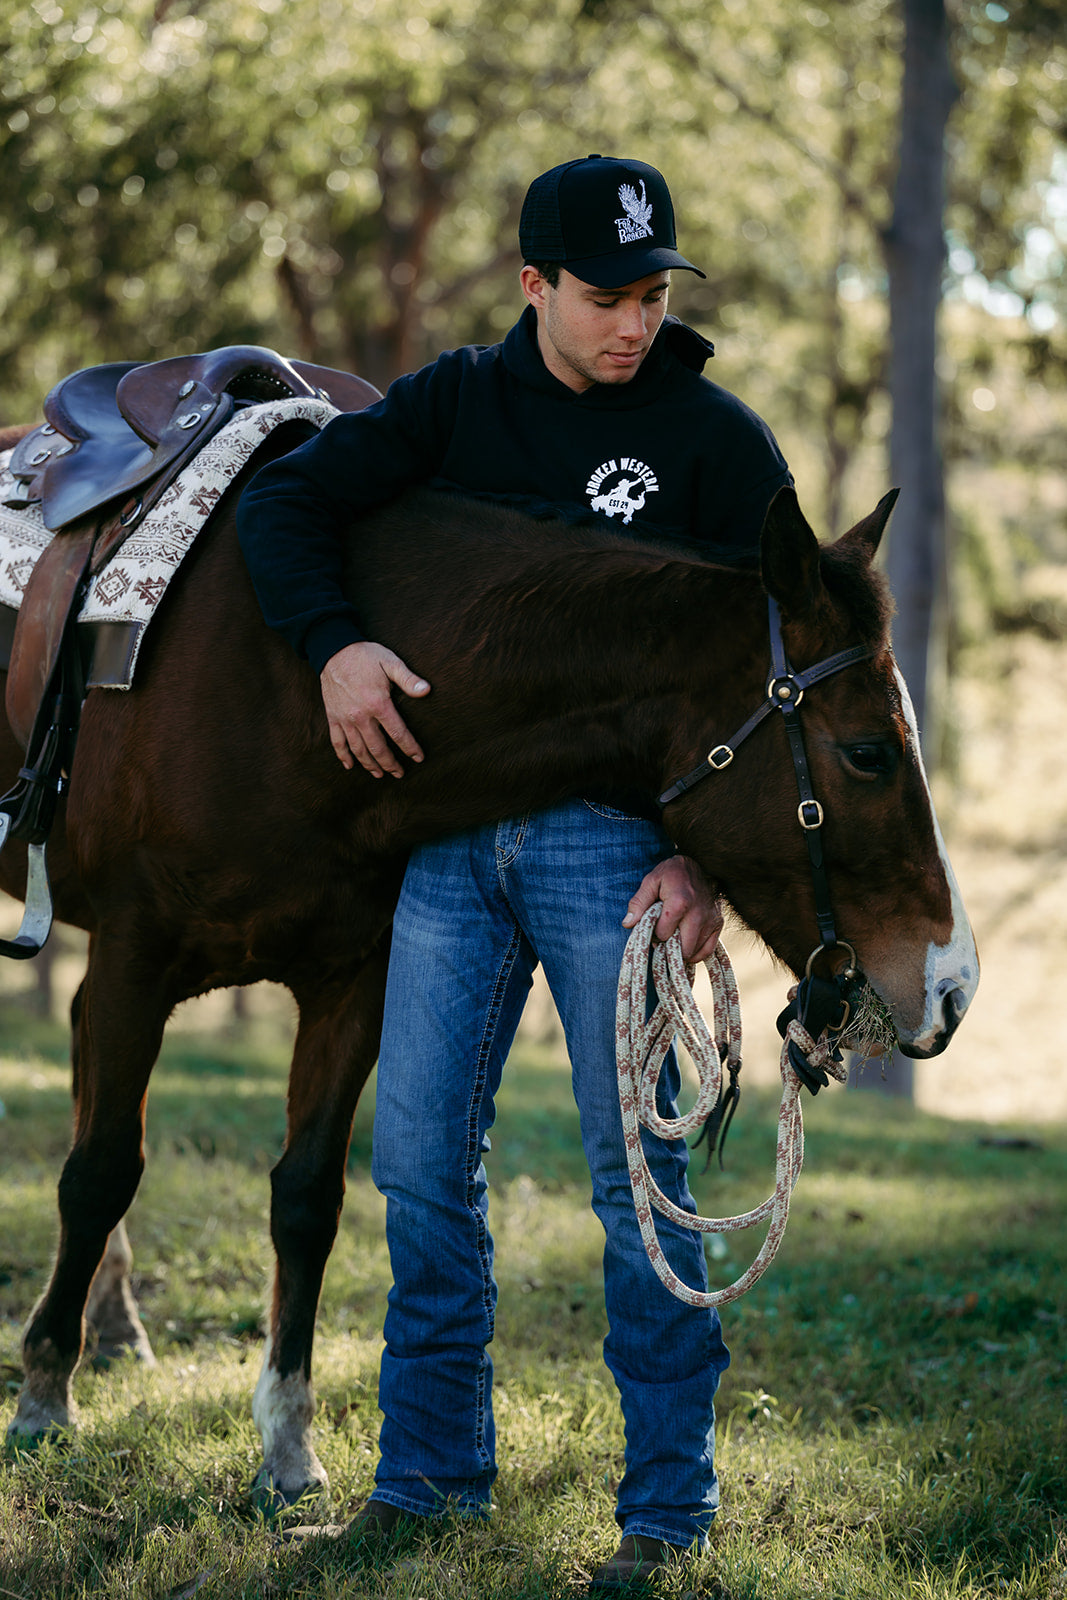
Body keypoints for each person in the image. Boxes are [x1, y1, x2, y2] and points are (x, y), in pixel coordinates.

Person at [237, 155, 792, 1592]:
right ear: (533, 284)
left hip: (614, 854)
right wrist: (335, 651)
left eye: (654, 292)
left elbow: (768, 685)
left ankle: (665, 1520)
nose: (634, 321)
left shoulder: (722, 449)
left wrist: (699, 860)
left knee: (639, 1191)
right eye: (606, 295)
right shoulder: (454, 407)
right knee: (421, 1174)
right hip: (446, 847)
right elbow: (282, 511)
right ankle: (426, 1485)